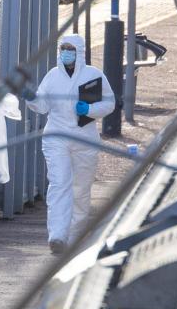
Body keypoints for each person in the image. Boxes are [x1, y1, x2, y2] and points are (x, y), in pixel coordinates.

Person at [25, 34, 115, 254]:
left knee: (81, 188)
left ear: (80, 52)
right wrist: (30, 98)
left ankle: (76, 235)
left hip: (85, 138)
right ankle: (57, 235)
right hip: (57, 136)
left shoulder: (94, 75)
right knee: (59, 184)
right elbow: (43, 106)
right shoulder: (53, 76)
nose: (66, 53)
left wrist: (90, 111)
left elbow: (110, 102)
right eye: (63, 49)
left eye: (70, 49)